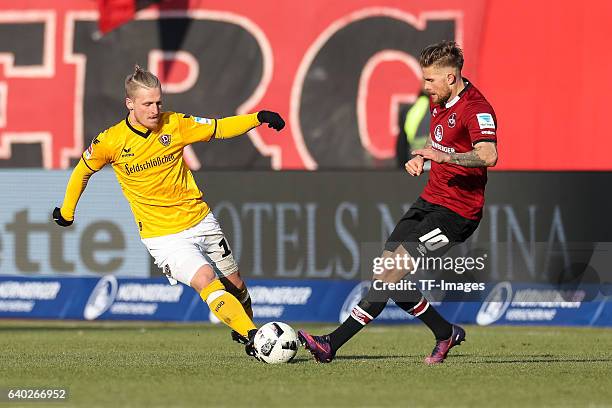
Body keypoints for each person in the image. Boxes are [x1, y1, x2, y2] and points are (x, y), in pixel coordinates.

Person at [52, 65, 285, 358]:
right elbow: (81, 172)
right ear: (130, 103)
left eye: (159, 102)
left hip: (200, 219)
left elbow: (219, 127)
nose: (155, 109)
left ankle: (248, 332)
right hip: (163, 236)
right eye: (147, 103)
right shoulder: (110, 141)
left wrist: (258, 118)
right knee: (205, 279)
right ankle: (253, 336)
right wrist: (67, 210)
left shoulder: (175, 123)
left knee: (236, 285)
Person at [299, 40, 498, 365]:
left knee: (391, 272)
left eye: (431, 80)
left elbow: (489, 155)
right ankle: (444, 332)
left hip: (457, 214)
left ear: (451, 77)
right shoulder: (439, 101)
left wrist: (443, 156)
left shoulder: (477, 108)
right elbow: (438, 147)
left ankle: (330, 344)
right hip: (429, 200)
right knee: (385, 274)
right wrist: (422, 160)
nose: (426, 86)